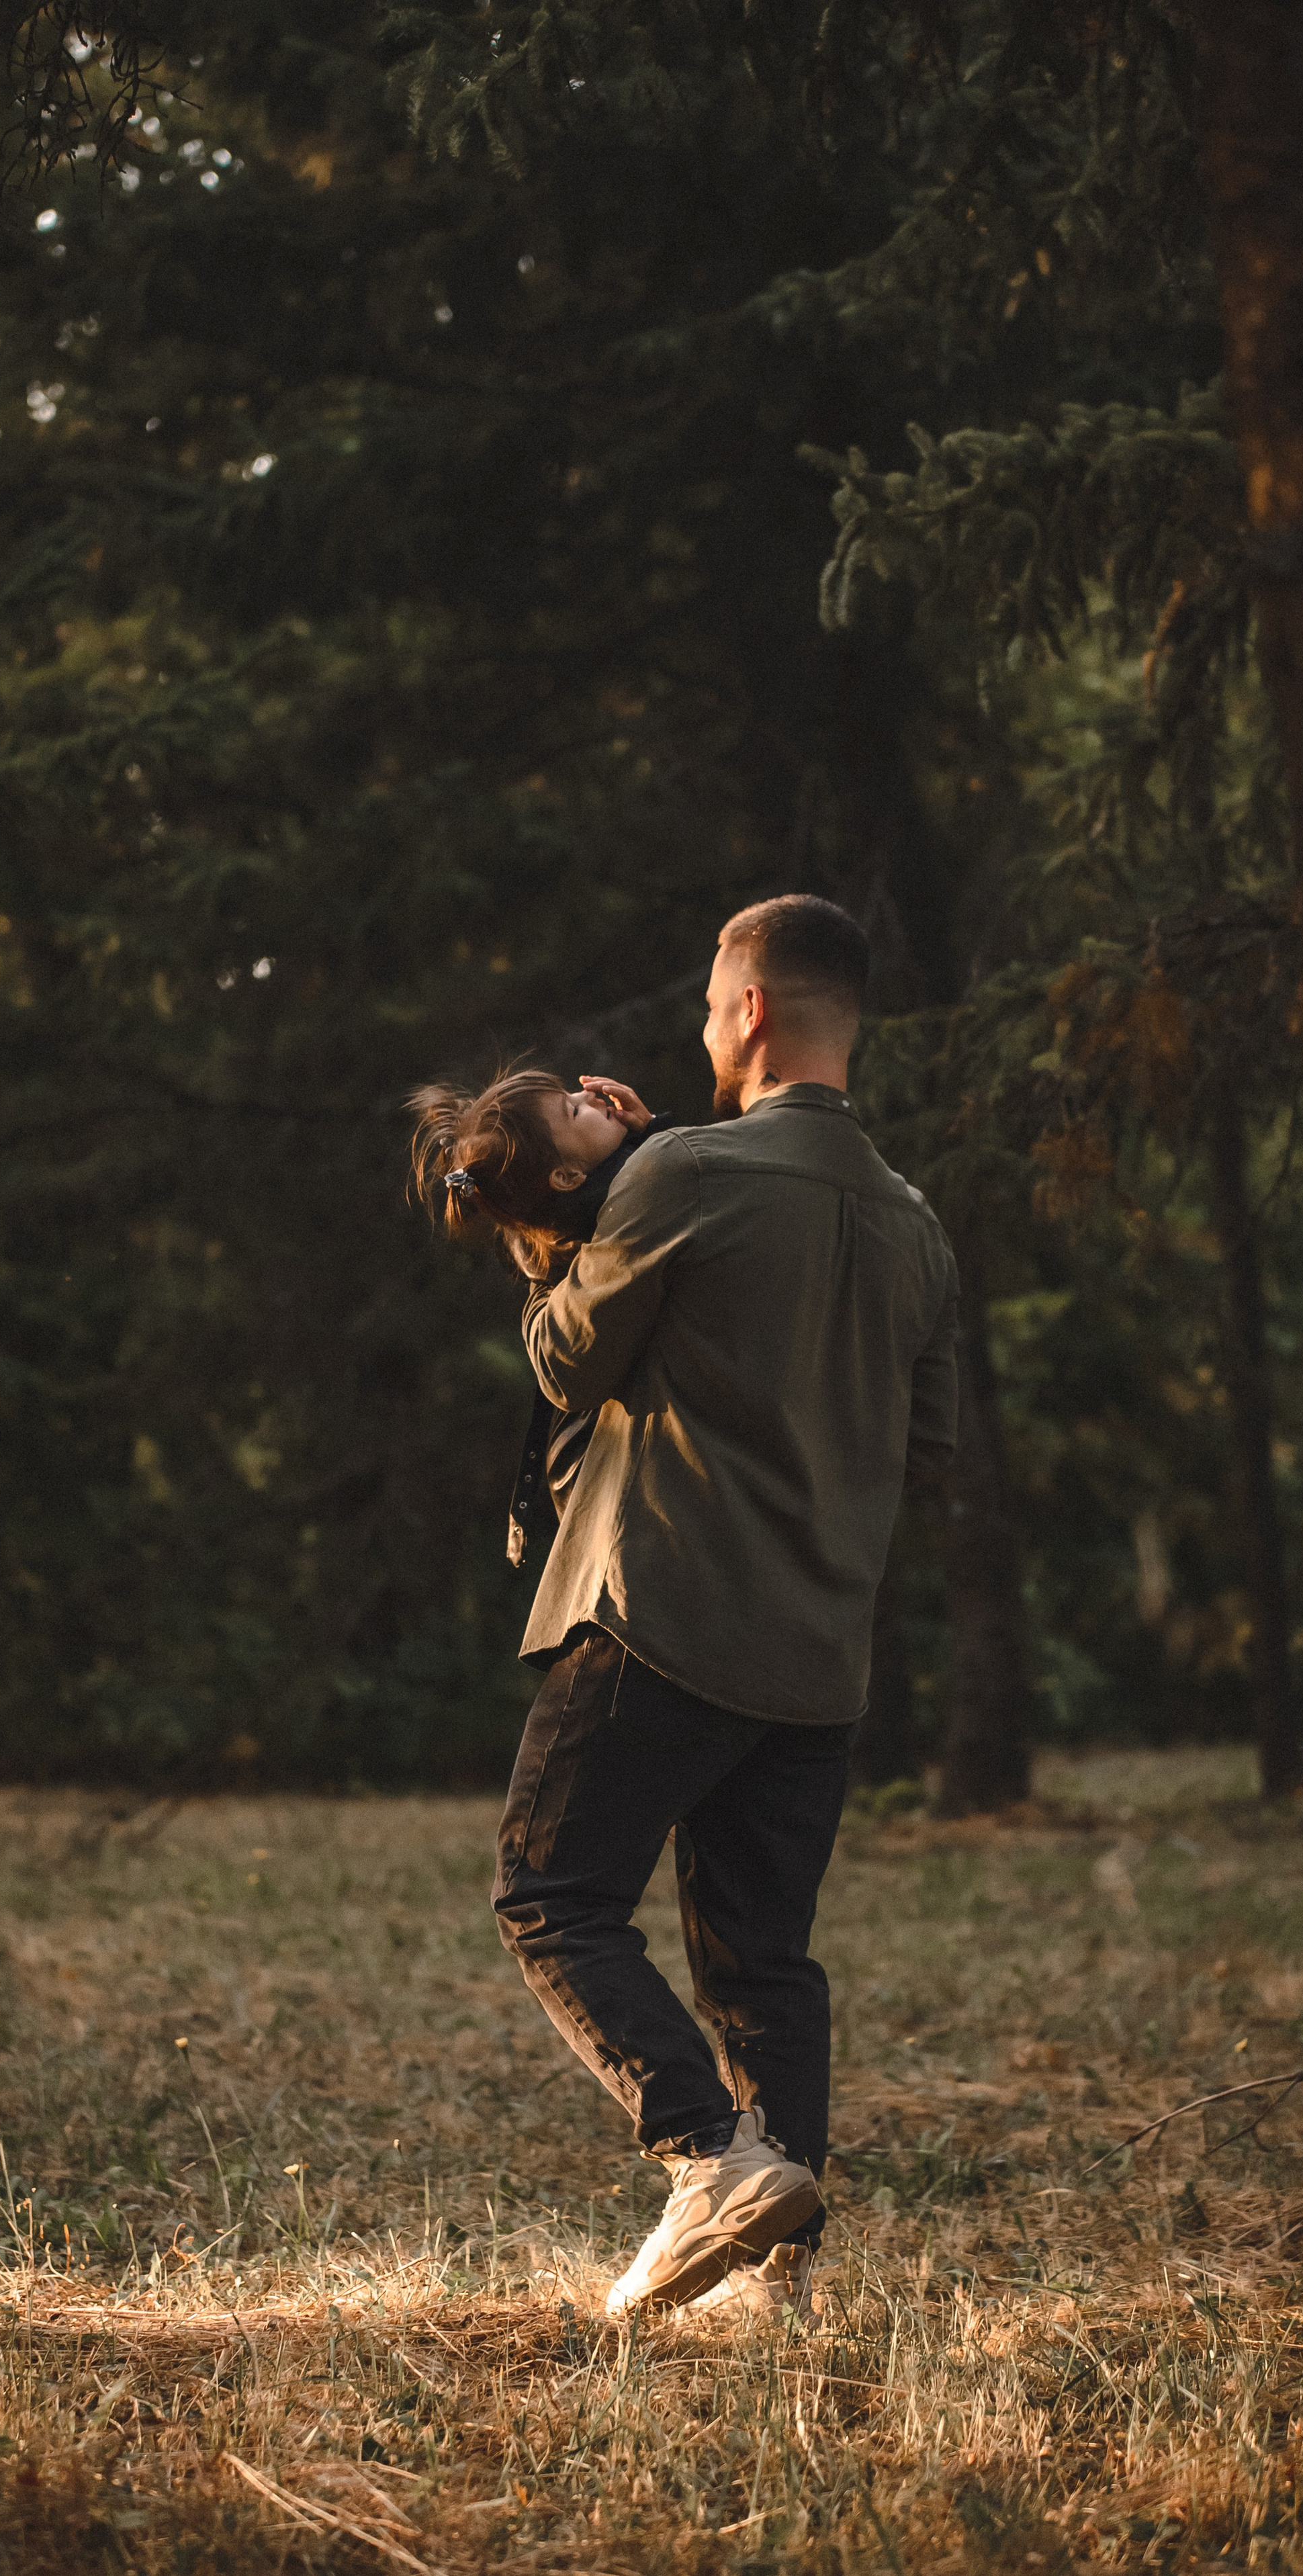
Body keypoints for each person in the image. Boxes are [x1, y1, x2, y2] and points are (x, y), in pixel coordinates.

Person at [488, 894, 960, 2321]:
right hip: (818, 1656)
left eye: (709, 1001)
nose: (703, 1025)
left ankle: (707, 2158)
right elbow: (928, 1449)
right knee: (762, 1963)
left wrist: (560, 1225)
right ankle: (778, 2275)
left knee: (551, 1896)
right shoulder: (916, 1226)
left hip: (663, 1613)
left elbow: (566, 1362)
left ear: (749, 1009)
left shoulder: (685, 1172)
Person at [408, 1067, 673, 1566]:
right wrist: (661, 1139)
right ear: (567, 1177)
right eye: (573, 1110)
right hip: (632, 1515)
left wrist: (653, 1134)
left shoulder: (572, 1225)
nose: (590, 1096)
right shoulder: (626, 1205)